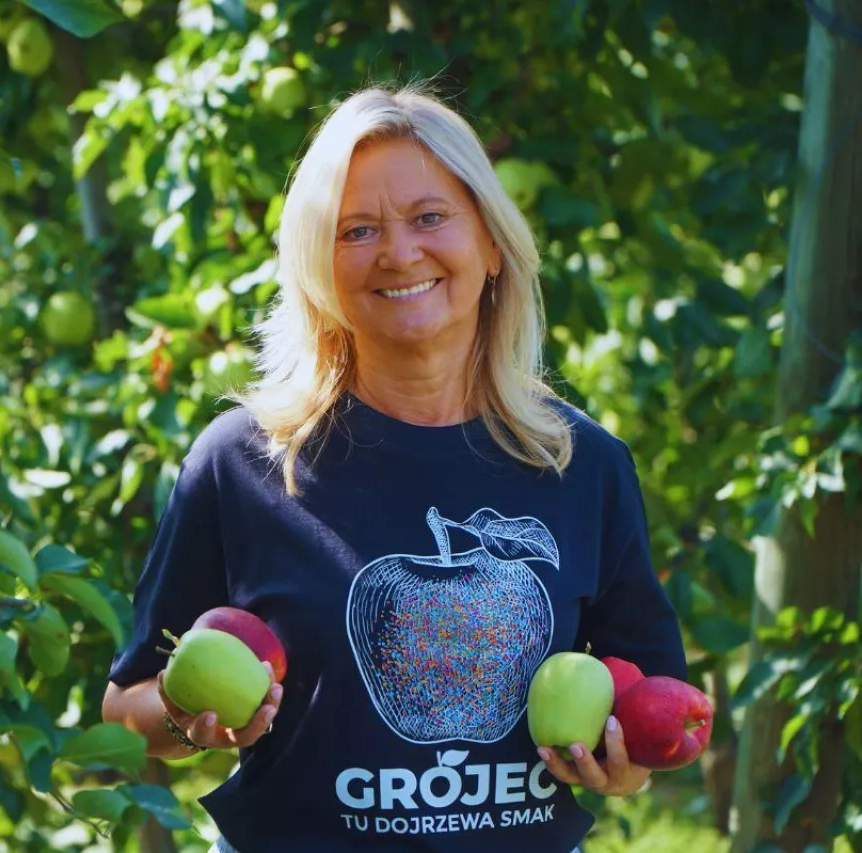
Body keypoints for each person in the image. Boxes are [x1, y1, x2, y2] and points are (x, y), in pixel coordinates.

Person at [102, 82, 688, 853]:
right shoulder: (245, 462)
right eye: (358, 230)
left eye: (430, 217)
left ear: (491, 245)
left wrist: (623, 765)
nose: (400, 252)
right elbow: (127, 707)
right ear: (318, 264)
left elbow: (646, 699)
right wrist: (188, 719)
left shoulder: (580, 465)